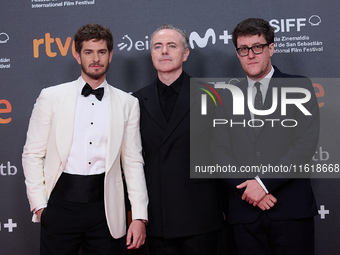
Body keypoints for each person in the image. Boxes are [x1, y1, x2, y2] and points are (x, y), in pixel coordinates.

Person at [22, 24, 148, 255]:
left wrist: (139, 216)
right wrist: (40, 207)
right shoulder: (51, 97)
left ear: (110, 55)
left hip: (106, 209)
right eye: (88, 52)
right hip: (60, 204)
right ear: (77, 54)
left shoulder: (128, 103)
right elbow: (32, 154)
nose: (96, 59)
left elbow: (132, 162)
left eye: (101, 52)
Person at [211, 18, 320, 255]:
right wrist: (247, 191)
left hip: (290, 211)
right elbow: (219, 151)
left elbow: (305, 145)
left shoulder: (299, 87)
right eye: (243, 49)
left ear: (271, 48)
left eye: (257, 47)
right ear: (237, 53)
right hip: (245, 215)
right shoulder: (225, 96)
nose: (250, 55)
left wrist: (262, 184)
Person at [133, 24, 223, 255]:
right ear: (151, 54)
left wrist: (224, 208)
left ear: (185, 54)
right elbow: (129, 161)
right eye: (158, 46)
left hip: (200, 215)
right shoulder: (134, 101)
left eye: (171, 46)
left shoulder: (210, 95)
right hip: (156, 218)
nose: (164, 51)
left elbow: (224, 153)